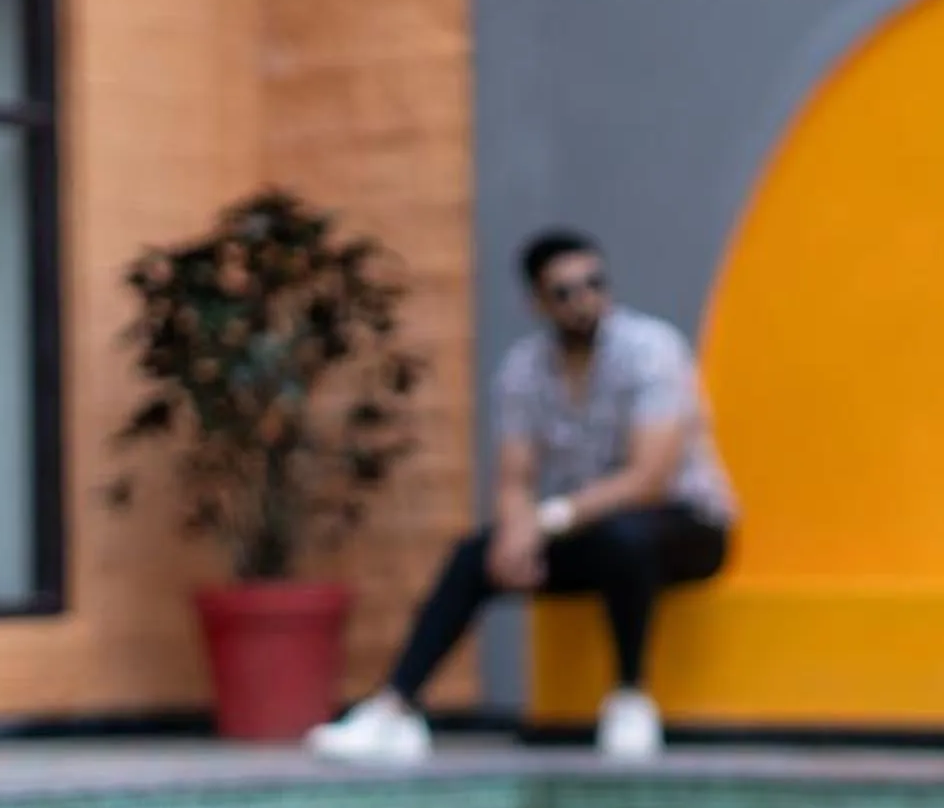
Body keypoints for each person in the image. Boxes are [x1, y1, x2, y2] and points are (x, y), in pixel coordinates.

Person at [310, 230, 736, 765]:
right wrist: (515, 534)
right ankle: (394, 708)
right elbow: (514, 474)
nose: (583, 301)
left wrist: (547, 520)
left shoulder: (651, 350)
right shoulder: (524, 369)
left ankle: (630, 696)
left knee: (626, 538)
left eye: (593, 284)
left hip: (687, 526)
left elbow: (648, 478)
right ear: (538, 300)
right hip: (586, 530)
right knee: (474, 555)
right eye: (565, 292)